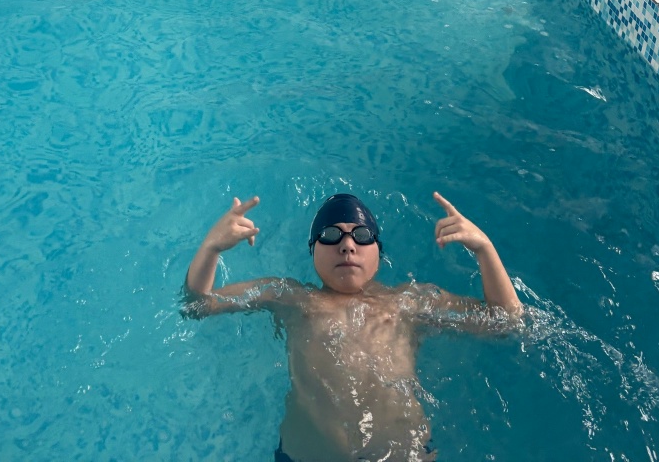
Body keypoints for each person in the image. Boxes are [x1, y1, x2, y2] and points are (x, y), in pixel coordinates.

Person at [184, 192, 523, 462]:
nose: (347, 245)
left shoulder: (409, 302)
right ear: (313, 250)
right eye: (331, 235)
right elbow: (199, 305)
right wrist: (211, 248)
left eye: (361, 236)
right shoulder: (289, 297)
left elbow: (505, 322)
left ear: (378, 252)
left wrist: (485, 250)